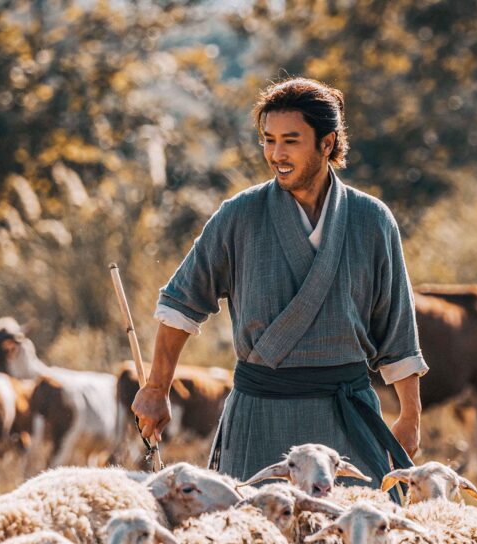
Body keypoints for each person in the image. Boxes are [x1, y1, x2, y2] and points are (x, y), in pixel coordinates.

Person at [131, 77, 427, 487]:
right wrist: (156, 387)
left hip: (348, 416)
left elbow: (397, 331)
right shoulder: (239, 215)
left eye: (290, 141)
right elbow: (181, 305)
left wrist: (409, 415)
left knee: (361, 538)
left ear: (327, 143)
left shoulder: (372, 220)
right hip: (261, 413)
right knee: (251, 541)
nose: (276, 154)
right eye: (268, 140)